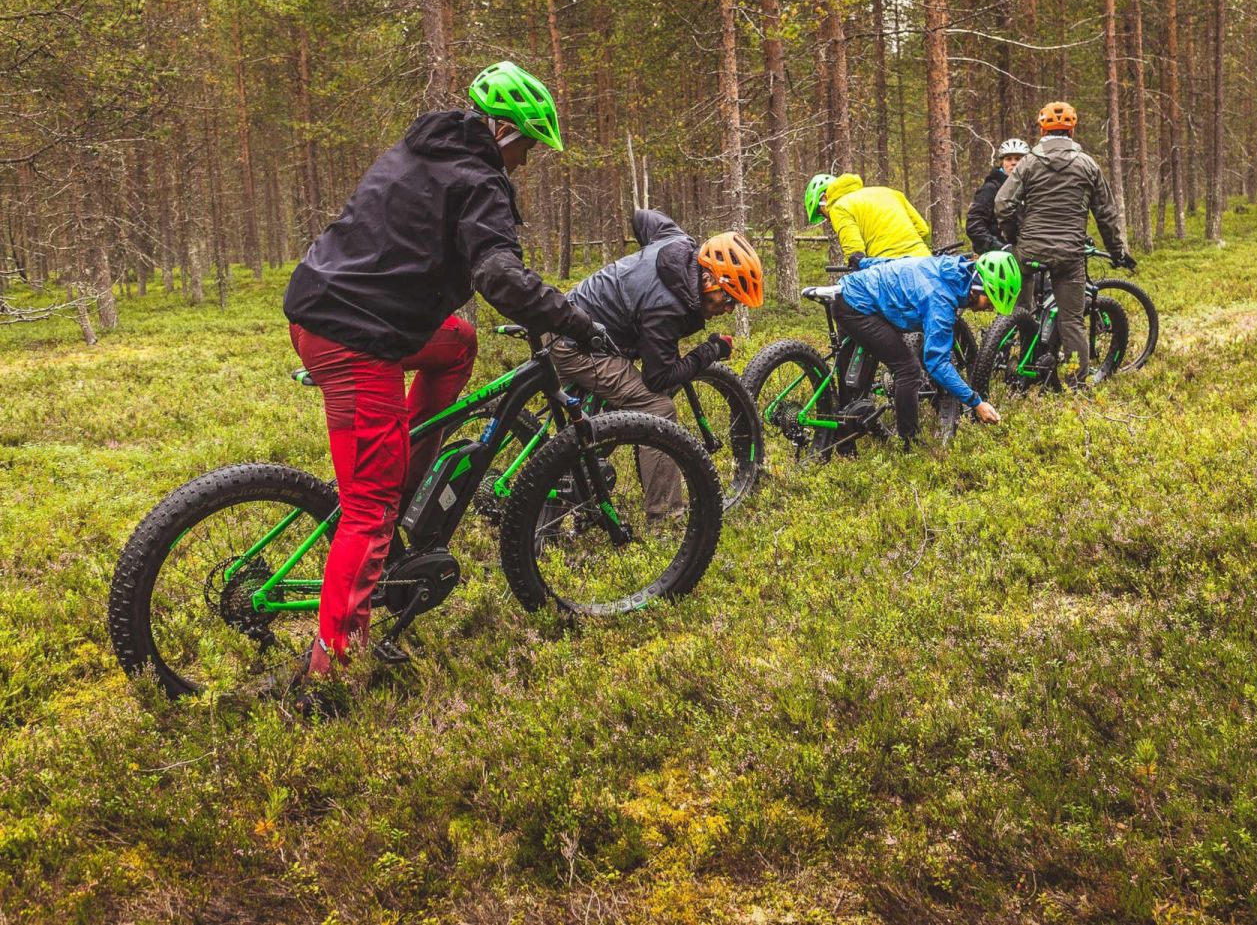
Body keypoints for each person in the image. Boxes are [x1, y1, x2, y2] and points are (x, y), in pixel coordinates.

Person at [283, 60, 604, 679]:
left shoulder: (421, 150)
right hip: (357, 336)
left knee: (456, 343)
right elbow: (497, 275)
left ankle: (407, 467)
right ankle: (332, 667)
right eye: (528, 147)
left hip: (334, 309)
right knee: (368, 508)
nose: (527, 162)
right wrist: (571, 320)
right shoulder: (480, 179)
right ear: (504, 133)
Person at [555, 214, 763, 518]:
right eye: (728, 298)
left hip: (573, 316)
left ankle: (561, 487)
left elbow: (641, 218)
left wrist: (634, 276)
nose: (729, 308)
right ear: (707, 279)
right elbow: (659, 377)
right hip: (577, 345)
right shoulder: (665, 308)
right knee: (658, 409)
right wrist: (710, 351)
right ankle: (665, 518)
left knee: (587, 417)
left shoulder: (676, 241)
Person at [994, 102, 1136, 387]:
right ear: (1072, 128)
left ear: (1042, 128)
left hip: (1029, 249)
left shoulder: (1029, 162)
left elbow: (1003, 203)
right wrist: (1118, 251)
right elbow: (1106, 214)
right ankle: (1075, 387)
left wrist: (1015, 237)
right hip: (1069, 254)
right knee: (1072, 320)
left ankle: (1021, 370)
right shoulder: (1087, 164)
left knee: (1021, 311)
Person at [832, 251, 1022, 445]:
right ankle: (909, 442)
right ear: (976, 287)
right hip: (857, 306)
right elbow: (937, 364)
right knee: (908, 370)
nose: (989, 308)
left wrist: (864, 262)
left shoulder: (949, 266)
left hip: (851, 291)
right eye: (989, 301)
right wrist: (976, 402)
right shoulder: (940, 301)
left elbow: (901, 263)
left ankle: (843, 439)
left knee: (851, 382)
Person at [805, 172, 931, 268]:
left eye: (821, 212)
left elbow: (855, 252)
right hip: (925, 263)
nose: (827, 219)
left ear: (825, 198)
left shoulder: (839, 207)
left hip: (889, 271)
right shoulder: (890, 192)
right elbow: (923, 230)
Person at [965, 137, 1030, 255]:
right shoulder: (990, 189)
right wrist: (998, 247)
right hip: (996, 257)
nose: (1013, 162)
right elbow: (974, 225)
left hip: (1025, 254)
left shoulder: (1030, 189)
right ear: (1002, 162)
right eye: (1008, 159)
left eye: (1018, 158)